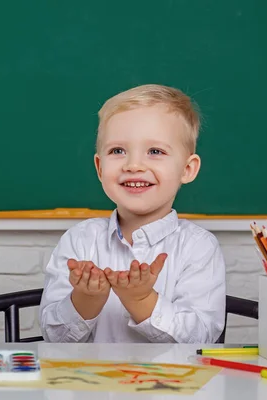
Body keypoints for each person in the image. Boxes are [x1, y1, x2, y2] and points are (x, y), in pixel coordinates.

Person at [39, 84, 226, 343]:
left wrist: (141, 300)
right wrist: (86, 299)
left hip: (171, 382)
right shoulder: (80, 239)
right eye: (118, 151)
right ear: (99, 167)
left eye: (155, 151)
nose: (134, 165)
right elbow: (54, 339)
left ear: (187, 169)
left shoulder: (199, 247)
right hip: (89, 382)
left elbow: (200, 338)